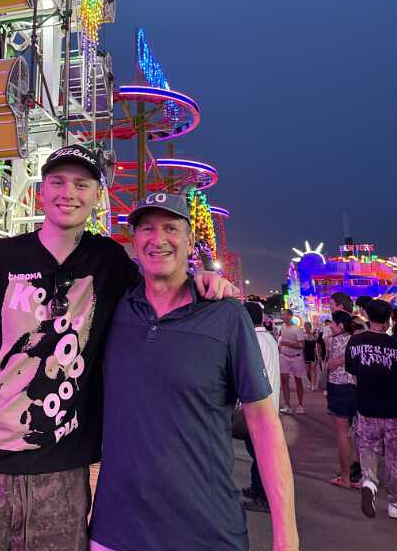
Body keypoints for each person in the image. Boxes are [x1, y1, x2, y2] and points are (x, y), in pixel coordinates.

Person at [0, 146, 237, 551]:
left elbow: (160, 288)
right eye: (57, 182)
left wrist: (200, 281)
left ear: (97, 195)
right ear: (41, 191)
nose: (68, 193)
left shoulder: (108, 262)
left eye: (81, 184)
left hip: (60, 479)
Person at [89, 194, 299, 551]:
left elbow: (264, 425)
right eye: (146, 229)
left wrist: (286, 534)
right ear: (134, 241)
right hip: (116, 530)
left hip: (206, 531)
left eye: (171, 228)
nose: (158, 239)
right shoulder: (113, 309)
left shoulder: (227, 317)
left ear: (190, 242)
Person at [345, 299, 397, 519]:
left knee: (368, 447)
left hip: (366, 406)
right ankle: (396, 503)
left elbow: (354, 375)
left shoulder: (355, 342)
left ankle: (369, 481)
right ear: (389, 319)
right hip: (395, 410)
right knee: (395, 456)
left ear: (368, 317)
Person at [240, 300, 281, 514]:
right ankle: (257, 488)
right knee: (259, 452)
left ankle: (263, 497)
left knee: (260, 455)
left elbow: (249, 376)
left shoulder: (252, 341)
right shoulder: (268, 338)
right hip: (269, 405)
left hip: (258, 408)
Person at [327, 310, 358, 490]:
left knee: (342, 434)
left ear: (340, 326)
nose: (330, 326)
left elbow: (331, 365)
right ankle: (358, 473)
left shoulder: (336, 340)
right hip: (355, 388)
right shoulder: (355, 339)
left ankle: (345, 477)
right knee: (357, 434)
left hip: (339, 389)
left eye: (332, 322)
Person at [278, 309, 305, 415]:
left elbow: (301, 345)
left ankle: (300, 405)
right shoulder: (282, 327)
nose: (282, 317)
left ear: (290, 316)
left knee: (298, 381)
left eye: (284, 315)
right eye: (282, 315)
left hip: (296, 357)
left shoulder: (297, 329)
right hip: (284, 356)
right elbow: (281, 341)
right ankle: (287, 405)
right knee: (284, 381)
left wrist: (287, 344)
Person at [303, 321, 317, 390]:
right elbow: (302, 347)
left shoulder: (314, 335)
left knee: (313, 370)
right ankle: (311, 382)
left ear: (310, 327)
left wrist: (317, 355)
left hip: (313, 355)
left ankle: (313, 385)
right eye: (305, 327)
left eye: (308, 327)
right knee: (307, 372)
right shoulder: (303, 335)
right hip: (306, 355)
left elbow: (317, 346)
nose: (306, 328)